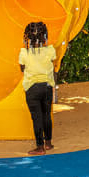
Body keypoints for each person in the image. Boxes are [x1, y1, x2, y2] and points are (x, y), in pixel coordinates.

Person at [19, 20, 57, 155]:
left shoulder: (24, 52)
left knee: (37, 117)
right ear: (44, 36)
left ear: (27, 37)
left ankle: (39, 147)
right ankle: (48, 143)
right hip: (46, 87)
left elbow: (22, 68)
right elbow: (52, 63)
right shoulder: (50, 50)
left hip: (32, 88)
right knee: (47, 115)